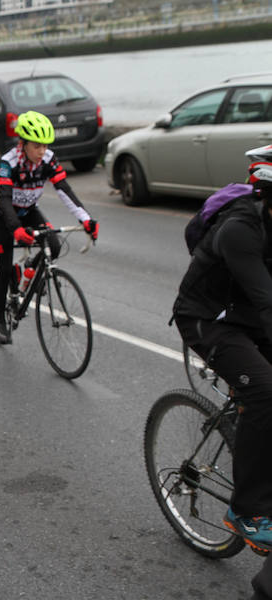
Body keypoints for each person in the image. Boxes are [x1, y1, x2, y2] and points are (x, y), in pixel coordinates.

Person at [173, 144, 272, 558]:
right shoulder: (241, 229)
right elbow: (267, 304)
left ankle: (245, 421)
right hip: (206, 318)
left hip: (247, 314)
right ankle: (246, 511)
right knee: (265, 392)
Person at [0, 110, 99, 344]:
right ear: (24, 143)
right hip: (4, 215)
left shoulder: (48, 159)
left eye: (45, 145)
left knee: (54, 246)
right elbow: (5, 200)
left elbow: (64, 189)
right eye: (37, 146)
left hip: (29, 210)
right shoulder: (8, 163)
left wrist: (85, 218)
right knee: (5, 267)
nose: (42, 151)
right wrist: (16, 229)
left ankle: (30, 270)